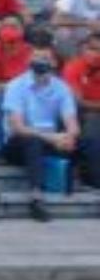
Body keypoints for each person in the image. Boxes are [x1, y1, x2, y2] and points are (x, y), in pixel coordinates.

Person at [1, 56, 90, 220]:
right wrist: (51, 138)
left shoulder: (61, 87)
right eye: (37, 72)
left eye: (45, 71)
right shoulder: (16, 86)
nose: (41, 76)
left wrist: (70, 136)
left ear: (52, 70)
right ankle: (36, 196)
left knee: (88, 143)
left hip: (52, 139)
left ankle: (91, 183)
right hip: (19, 141)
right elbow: (18, 127)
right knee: (33, 142)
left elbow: (71, 121)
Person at [63, 35, 100, 193]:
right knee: (92, 124)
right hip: (79, 115)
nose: (96, 53)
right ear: (83, 50)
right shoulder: (73, 67)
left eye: (99, 50)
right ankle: (93, 178)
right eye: (92, 49)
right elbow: (78, 102)